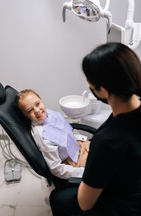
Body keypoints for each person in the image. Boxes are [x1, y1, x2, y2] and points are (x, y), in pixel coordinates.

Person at [50, 42, 141, 216]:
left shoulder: (108, 141)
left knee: (58, 198)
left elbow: (85, 203)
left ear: (104, 90)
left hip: (122, 208)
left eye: (90, 84)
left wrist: (93, 165)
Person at [14, 89, 90, 179]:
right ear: (25, 115)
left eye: (37, 104)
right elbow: (56, 169)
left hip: (78, 145)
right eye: (30, 110)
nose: (37, 110)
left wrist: (83, 141)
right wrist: (86, 172)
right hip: (72, 161)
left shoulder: (49, 113)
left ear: (41, 100)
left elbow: (64, 132)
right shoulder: (42, 135)